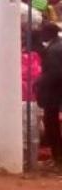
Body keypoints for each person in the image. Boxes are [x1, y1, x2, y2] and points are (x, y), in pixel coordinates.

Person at [37, 22, 62, 165]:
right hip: (57, 92)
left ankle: (57, 157)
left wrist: (40, 82)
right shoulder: (58, 45)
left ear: (49, 33)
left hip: (53, 93)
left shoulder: (53, 50)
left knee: (50, 124)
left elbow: (55, 73)